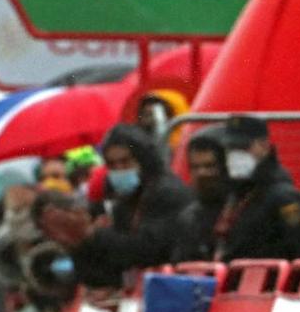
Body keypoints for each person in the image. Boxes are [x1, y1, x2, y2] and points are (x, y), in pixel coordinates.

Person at [38, 124, 190, 290]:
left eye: (125, 162)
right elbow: (113, 270)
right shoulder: (123, 202)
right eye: (112, 164)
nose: (119, 170)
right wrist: (80, 246)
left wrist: (93, 235)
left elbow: (148, 251)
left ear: (143, 160)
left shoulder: (167, 193)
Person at [212, 115, 300, 262]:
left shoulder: (284, 198)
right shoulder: (236, 192)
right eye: (230, 149)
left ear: (264, 146)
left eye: (243, 148)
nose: (235, 156)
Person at [171, 128, 229, 263]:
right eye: (195, 167)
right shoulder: (189, 218)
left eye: (210, 166)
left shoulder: (243, 209)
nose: (201, 174)